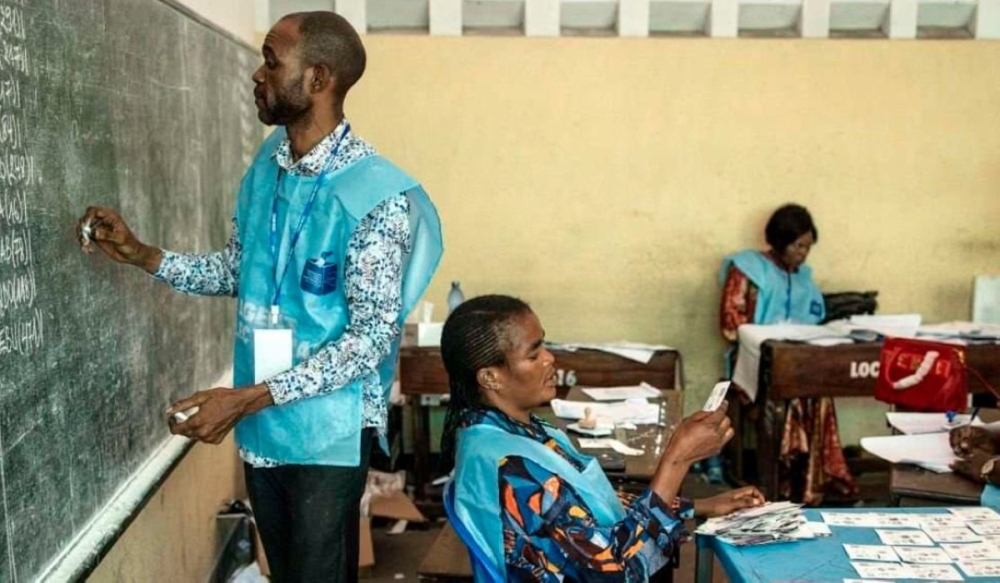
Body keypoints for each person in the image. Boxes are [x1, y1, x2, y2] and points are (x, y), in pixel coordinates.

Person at [76, 11, 442, 582]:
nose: (257, 74)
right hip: (263, 429)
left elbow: (369, 342)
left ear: (318, 79)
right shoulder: (266, 169)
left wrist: (245, 398)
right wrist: (145, 255)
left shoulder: (375, 194)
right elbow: (238, 271)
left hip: (325, 433)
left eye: (272, 61)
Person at [440, 295, 765, 582]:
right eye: (533, 353)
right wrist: (677, 460)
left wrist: (699, 507)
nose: (550, 359)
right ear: (490, 377)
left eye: (545, 345)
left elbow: (592, 506)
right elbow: (620, 571)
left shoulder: (517, 431)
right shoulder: (511, 468)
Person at [716, 203, 855, 504]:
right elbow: (730, 325)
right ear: (780, 242)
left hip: (799, 362)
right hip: (753, 363)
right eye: (797, 245)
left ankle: (813, 482)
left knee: (818, 392)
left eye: (807, 247)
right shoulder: (748, 270)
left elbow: (814, 321)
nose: (803, 253)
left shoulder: (803, 277)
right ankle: (786, 482)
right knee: (789, 393)